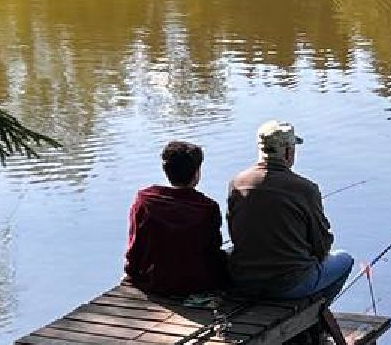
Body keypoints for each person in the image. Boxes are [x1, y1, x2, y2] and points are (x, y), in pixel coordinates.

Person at [227, 120, 354, 300]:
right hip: (289, 285)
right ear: (288, 152)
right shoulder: (306, 189)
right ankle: (316, 309)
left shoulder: (237, 183)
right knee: (344, 259)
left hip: (244, 281)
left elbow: (235, 233)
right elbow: (321, 245)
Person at [124, 140, 229, 297]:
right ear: (196, 173)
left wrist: (130, 273)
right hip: (197, 284)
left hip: (154, 282)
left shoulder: (145, 200)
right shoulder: (207, 207)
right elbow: (213, 252)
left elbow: (135, 245)